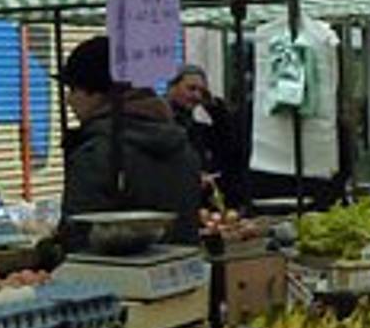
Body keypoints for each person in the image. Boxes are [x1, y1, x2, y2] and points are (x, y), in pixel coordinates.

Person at [58, 36, 204, 247]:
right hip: (182, 270)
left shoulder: (97, 154)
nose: (69, 100)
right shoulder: (182, 146)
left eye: (73, 90)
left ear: (97, 93)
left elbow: (79, 239)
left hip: (114, 276)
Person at [166, 63, 249, 209]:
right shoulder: (161, 125)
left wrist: (213, 107)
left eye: (201, 92)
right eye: (191, 89)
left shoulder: (195, 129)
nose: (197, 96)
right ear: (172, 88)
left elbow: (230, 146)